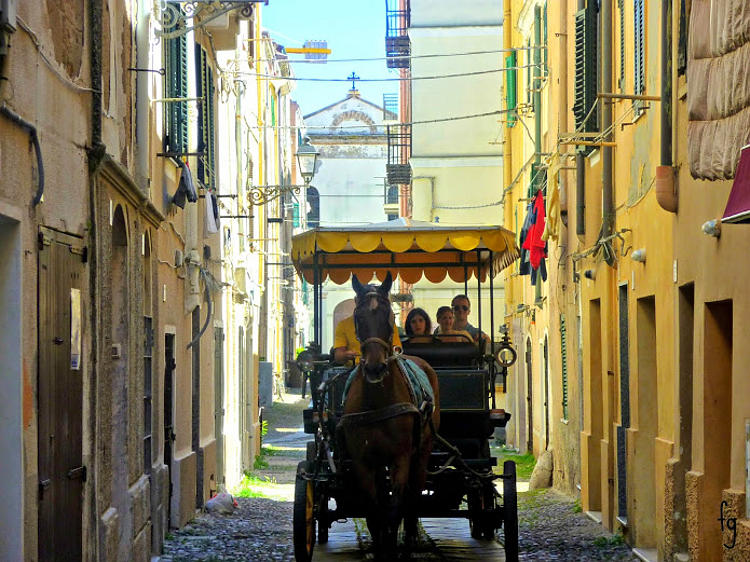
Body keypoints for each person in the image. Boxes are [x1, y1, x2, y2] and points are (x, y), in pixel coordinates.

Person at [333, 299, 402, 363]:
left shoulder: (388, 323)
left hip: (385, 364)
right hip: (355, 367)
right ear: (357, 301)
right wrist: (346, 355)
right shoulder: (343, 325)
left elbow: (397, 349)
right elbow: (338, 356)